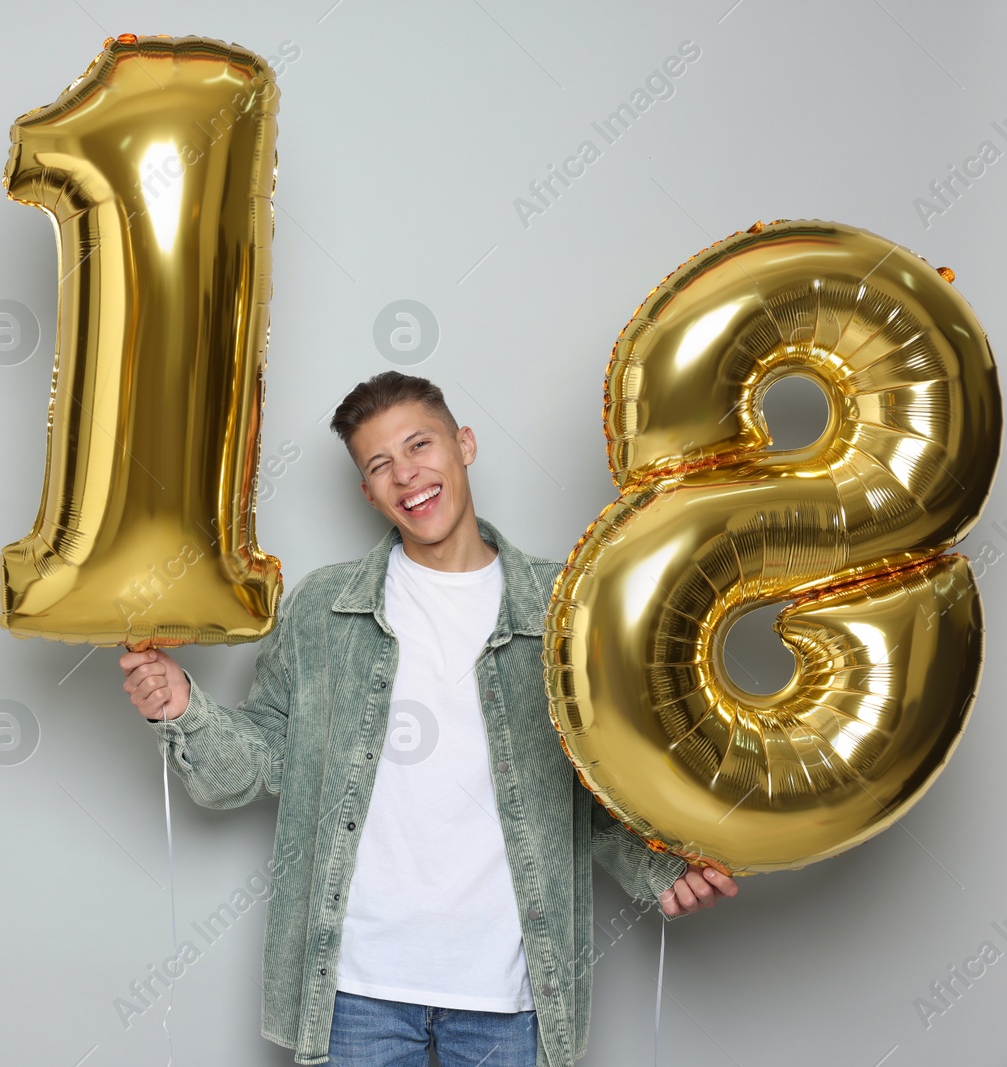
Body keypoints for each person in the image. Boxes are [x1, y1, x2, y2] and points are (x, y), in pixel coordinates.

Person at [119, 371, 738, 1067]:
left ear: (464, 444)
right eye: (379, 464)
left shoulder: (565, 606)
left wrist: (659, 869)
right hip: (355, 990)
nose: (405, 474)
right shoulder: (324, 608)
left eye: (420, 444)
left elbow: (592, 786)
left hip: (511, 991)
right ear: (366, 491)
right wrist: (184, 708)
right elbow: (259, 763)